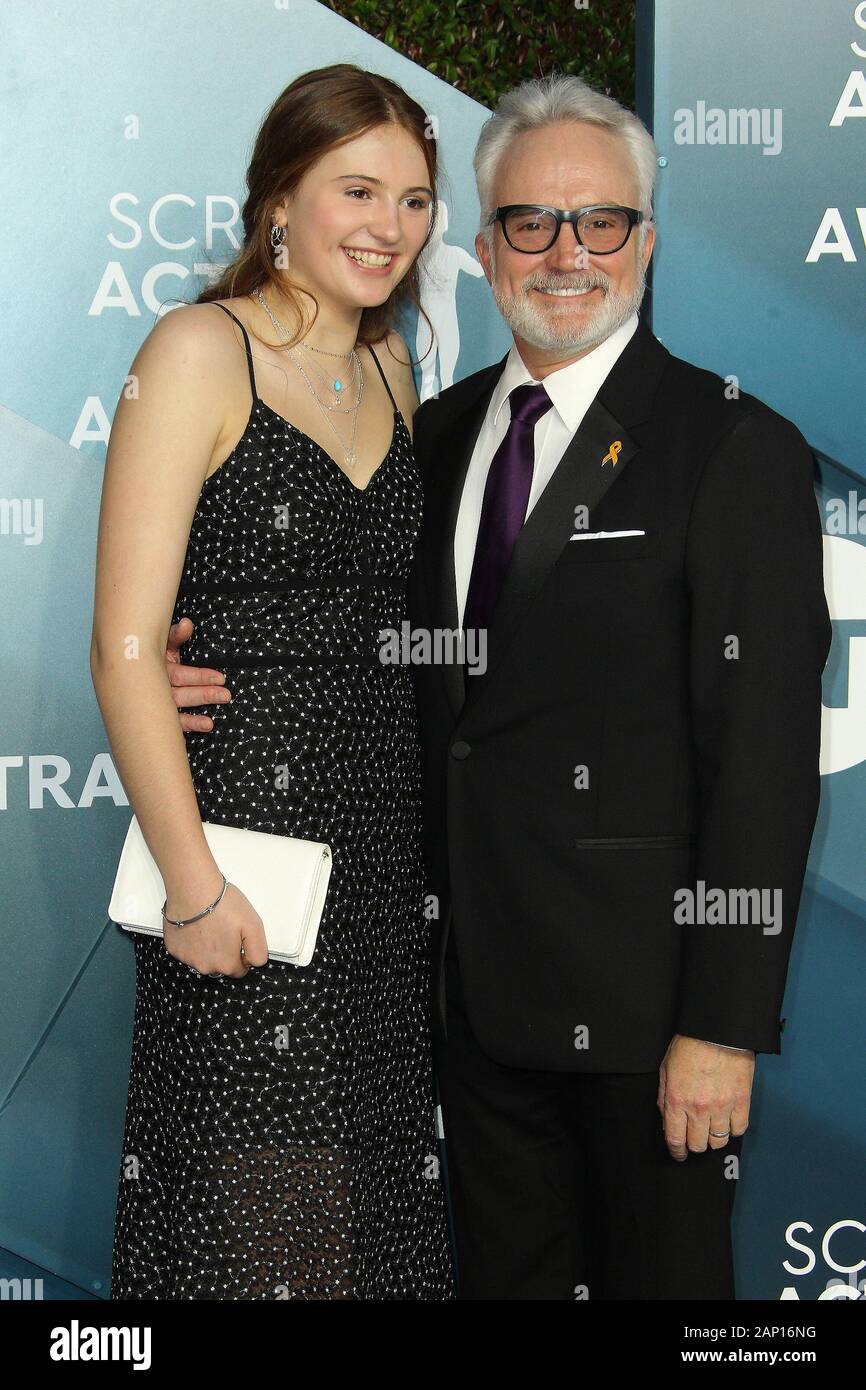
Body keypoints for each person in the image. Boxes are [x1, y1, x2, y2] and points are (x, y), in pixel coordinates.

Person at [166, 74, 831, 1300]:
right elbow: (367, 639)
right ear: (481, 248)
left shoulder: (734, 446)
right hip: (462, 1009)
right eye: (530, 221)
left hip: (648, 1032)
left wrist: (722, 1024)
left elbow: (764, 759)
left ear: (646, 238)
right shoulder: (434, 429)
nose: (565, 253)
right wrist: (195, 661)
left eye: (600, 223)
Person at [91, 63, 453, 1300]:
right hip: (239, 844)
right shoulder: (198, 350)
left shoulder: (395, 368)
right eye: (356, 189)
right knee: (248, 1218)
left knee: (362, 1213)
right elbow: (125, 644)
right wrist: (192, 889)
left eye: (413, 201)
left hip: (378, 850)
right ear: (277, 203)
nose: (387, 227)